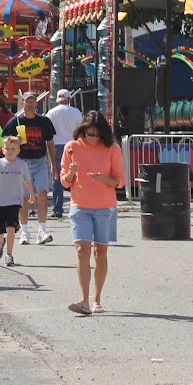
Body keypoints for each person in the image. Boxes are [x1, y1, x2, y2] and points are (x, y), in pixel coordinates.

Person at [59, 111, 124, 315]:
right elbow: (64, 181)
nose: (93, 138)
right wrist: (71, 172)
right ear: (83, 130)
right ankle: (84, 300)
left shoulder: (112, 148)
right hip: (80, 206)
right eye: (89, 134)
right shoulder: (72, 148)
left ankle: (97, 299)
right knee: (82, 251)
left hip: (105, 207)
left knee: (101, 253)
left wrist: (103, 179)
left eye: (97, 134)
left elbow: (119, 181)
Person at [5, 92, 56, 246]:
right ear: (23, 104)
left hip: (40, 161)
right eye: (27, 101)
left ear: (36, 104)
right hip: (22, 162)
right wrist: (15, 141)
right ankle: (25, 232)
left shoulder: (44, 121)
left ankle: (42, 231)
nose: (30, 104)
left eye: (33, 101)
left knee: (42, 194)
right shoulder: (15, 121)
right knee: (24, 198)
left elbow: (50, 142)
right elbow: (5, 141)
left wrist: (53, 162)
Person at [0, 136, 35, 267]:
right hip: (0, 202)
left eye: (13, 149)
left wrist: (32, 194)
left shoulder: (22, 165)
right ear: (2, 150)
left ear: (18, 150)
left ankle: (9, 255)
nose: (10, 151)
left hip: (15, 201)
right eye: (7, 148)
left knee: (10, 228)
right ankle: (0, 242)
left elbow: (27, 181)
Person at [45, 88, 82, 219]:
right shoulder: (76, 112)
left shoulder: (51, 113)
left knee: (57, 176)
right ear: (69, 99)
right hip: (72, 145)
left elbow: (47, 131)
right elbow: (80, 129)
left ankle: (57, 208)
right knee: (76, 175)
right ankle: (77, 206)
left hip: (56, 145)